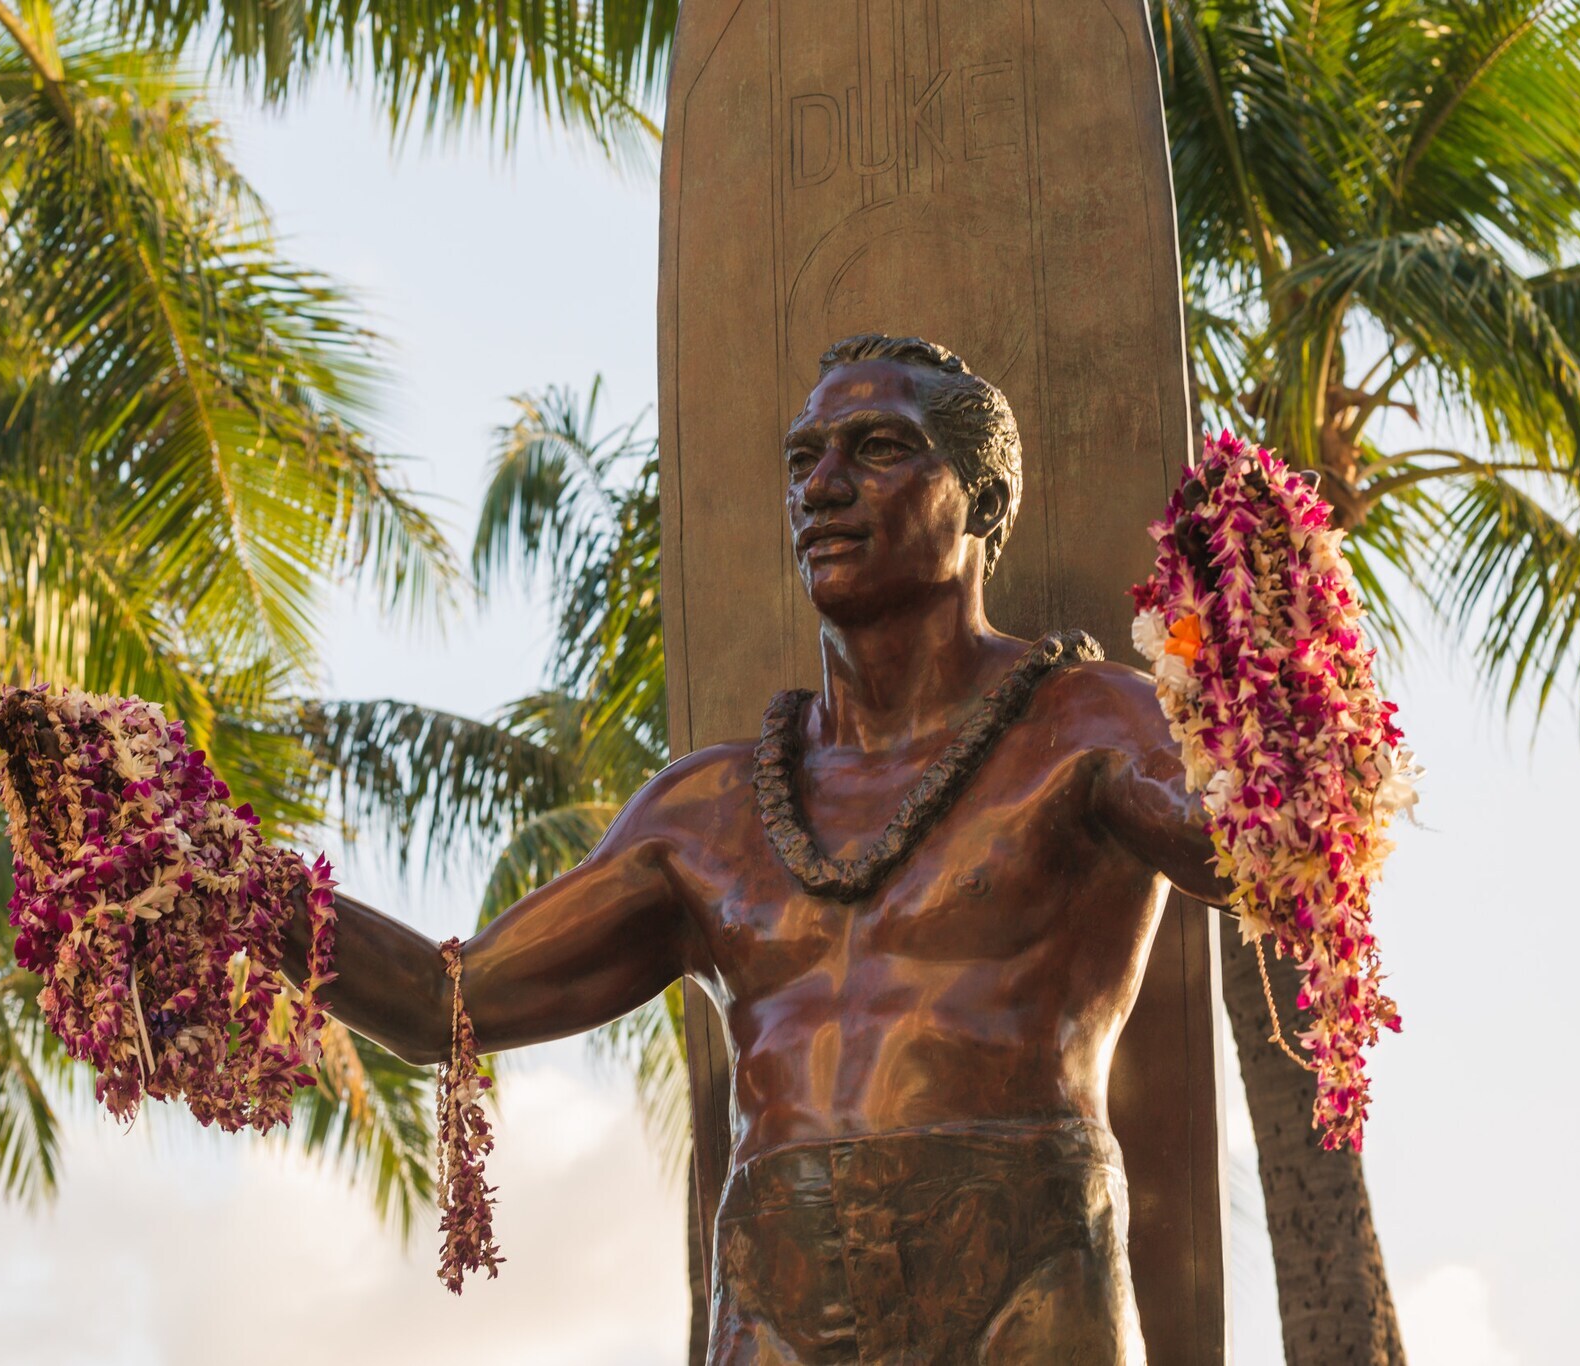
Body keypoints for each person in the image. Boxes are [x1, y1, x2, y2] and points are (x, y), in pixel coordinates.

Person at [295, 334, 1228, 1364]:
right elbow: (448, 1006)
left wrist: (1278, 641)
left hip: (1023, 1278)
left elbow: (1249, 847)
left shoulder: (1087, 726)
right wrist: (220, 885)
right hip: (775, 1302)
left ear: (983, 501)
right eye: (801, 459)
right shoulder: (705, 812)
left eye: (876, 448)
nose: (822, 487)